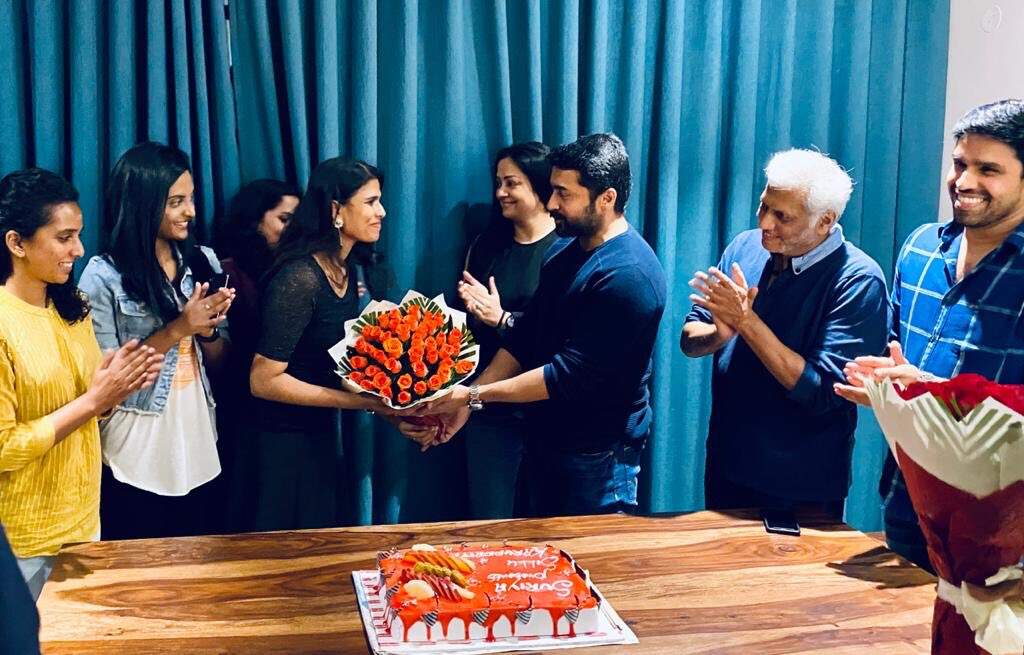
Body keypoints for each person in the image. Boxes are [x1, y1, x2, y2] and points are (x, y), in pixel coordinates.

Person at [424, 133, 667, 518]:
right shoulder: (563, 249)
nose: (551, 204)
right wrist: (471, 400)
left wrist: (471, 397)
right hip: (544, 443)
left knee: (588, 554)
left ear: (606, 198)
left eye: (563, 194)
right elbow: (527, 337)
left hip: (597, 458)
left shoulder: (629, 275)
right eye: (552, 190)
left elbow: (567, 376)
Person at [835, 99, 1024, 571]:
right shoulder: (919, 247)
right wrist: (883, 385)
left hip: (1002, 528)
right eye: (960, 164)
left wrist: (933, 393)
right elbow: (896, 359)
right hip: (909, 503)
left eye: (988, 169)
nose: (964, 181)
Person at [681, 149, 889, 520]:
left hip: (800, 486)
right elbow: (690, 338)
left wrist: (747, 322)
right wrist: (720, 334)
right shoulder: (745, 246)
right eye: (764, 206)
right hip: (728, 466)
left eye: (782, 216)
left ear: (825, 221)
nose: (764, 222)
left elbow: (822, 391)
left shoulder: (859, 280)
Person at [0, 168, 161, 599]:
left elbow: (90, 404)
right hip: (21, 540)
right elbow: (4, 448)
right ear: (16, 243)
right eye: (64, 237)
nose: (79, 249)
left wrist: (114, 392)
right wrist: (93, 402)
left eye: (79, 235)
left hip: (84, 523)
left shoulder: (74, 308)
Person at [79, 142, 234, 540]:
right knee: (138, 555)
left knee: (199, 552)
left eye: (191, 198)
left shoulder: (202, 261)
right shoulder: (103, 275)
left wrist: (208, 329)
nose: (190, 212)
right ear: (143, 204)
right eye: (175, 202)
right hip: (136, 436)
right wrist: (180, 327)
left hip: (196, 429)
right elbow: (105, 380)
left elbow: (221, 363)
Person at [249, 157, 414, 531]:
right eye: (371, 202)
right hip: (280, 446)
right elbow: (263, 380)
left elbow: (333, 366)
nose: (382, 212)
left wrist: (396, 411)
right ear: (336, 210)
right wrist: (362, 403)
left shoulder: (346, 270)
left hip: (318, 436)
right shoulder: (300, 278)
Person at [456, 142, 557, 519]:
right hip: (488, 406)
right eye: (498, 182)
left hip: (545, 407)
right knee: (490, 519)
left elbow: (554, 335)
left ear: (539, 185)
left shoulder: (565, 249)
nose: (500, 192)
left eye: (511, 183)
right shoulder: (486, 246)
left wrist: (501, 317)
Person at [215, 179, 299, 531]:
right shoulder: (228, 272)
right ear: (254, 220)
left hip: (289, 412)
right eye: (284, 219)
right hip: (242, 412)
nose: (292, 229)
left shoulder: (298, 269)